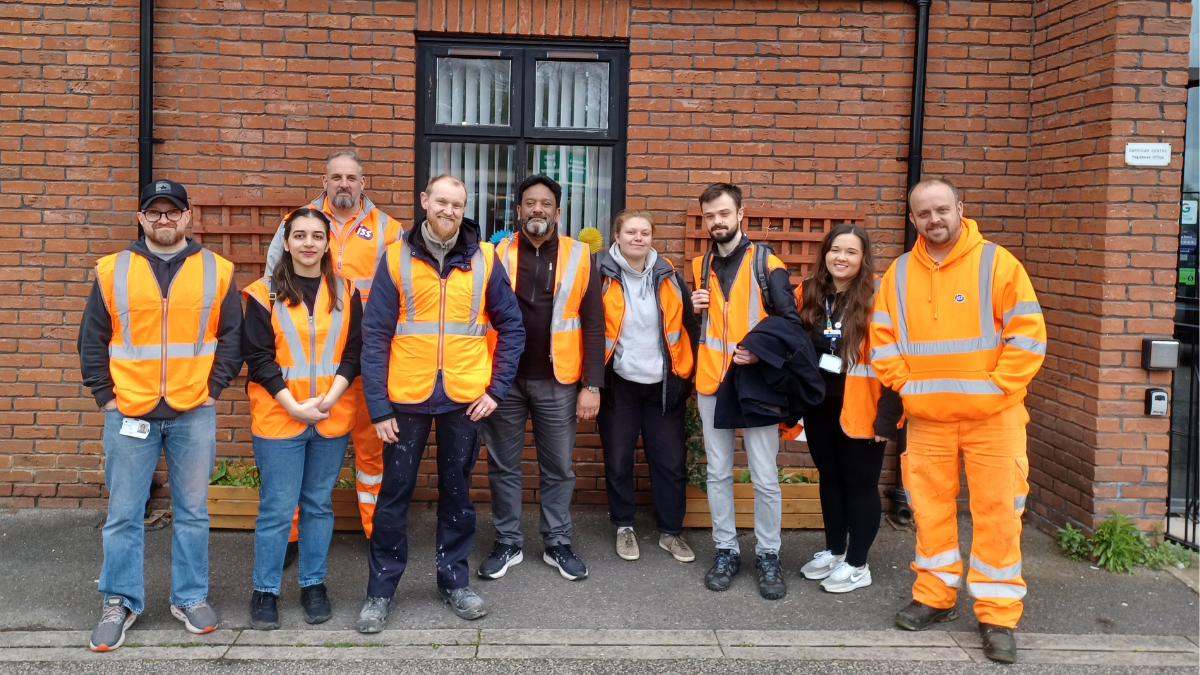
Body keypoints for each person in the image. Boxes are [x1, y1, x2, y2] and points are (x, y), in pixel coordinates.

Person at [871, 178, 1045, 663]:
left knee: (998, 516)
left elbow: (1028, 337)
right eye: (924, 214)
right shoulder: (899, 273)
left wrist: (993, 390)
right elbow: (881, 342)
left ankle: (997, 615)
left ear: (959, 209)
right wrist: (906, 387)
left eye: (942, 210)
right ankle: (935, 596)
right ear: (912, 220)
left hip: (995, 418)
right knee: (929, 511)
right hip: (927, 420)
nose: (935, 220)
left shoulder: (997, 262)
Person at [355, 175, 525, 630]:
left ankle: (454, 581)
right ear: (425, 201)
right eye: (441, 201)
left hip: (465, 399)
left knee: (458, 495)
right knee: (393, 497)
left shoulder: (486, 259)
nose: (448, 210)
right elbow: (374, 335)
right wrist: (378, 406)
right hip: (405, 398)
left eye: (457, 203)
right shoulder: (396, 257)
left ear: (464, 208)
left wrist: (495, 391)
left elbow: (512, 328)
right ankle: (380, 591)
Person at [79, 179, 242, 651]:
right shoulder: (113, 270)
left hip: (194, 410)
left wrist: (215, 388)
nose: (164, 220)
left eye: (173, 212)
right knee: (123, 513)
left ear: (188, 217)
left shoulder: (217, 269)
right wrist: (105, 396)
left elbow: (232, 335)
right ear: (142, 218)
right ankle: (119, 601)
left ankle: (189, 598)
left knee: (193, 512)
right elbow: (93, 338)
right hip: (129, 409)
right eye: (155, 212)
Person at [265, 151, 405, 537]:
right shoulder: (297, 223)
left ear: (364, 183)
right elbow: (272, 285)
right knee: (296, 454)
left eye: (351, 178)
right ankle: (290, 537)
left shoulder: (389, 229)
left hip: (365, 358)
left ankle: (375, 532)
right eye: (336, 177)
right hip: (306, 362)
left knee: (370, 449)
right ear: (323, 181)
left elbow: (401, 293)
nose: (344, 184)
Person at [479, 175, 605, 582]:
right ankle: (508, 542)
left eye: (545, 203)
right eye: (529, 203)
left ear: (558, 211)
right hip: (504, 380)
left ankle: (557, 542)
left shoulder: (580, 255)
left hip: (559, 381)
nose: (537, 209)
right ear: (518, 211)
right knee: (503, 466)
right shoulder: (493, 253)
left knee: (558, 467)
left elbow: (593, 324)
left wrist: (592, 384)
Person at [242, 207, 362, 630]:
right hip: (280, 419)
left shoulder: (348, 291)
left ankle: (313, 584)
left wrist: (329, 398)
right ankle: (265, 591)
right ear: (286, 241)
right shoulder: (262, 293)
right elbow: (257, 358)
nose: (308, 243)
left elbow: (354, 352)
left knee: (317, 506)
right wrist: (294, 405)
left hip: (330, 416)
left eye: (316, 235)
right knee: (277, 509)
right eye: (299, 236)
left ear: (328, 243)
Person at [690, 183, 803, 600]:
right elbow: (699, 327)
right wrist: (692, 307)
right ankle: (726, 549)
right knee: (717, 472)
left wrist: (759, 353)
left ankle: (769, 554)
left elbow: (790, 325)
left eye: (723, 213)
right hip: (712, 381)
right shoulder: (702, 264)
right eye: (709, 216)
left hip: (754, 383)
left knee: (764, 476)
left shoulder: (765, 263)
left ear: (741, 214)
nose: (716, 222)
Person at [793, 224, 902, 593]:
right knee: (831, 479)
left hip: (864, 409)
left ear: (863, 258)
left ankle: (858, 564)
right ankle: (835, 552)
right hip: (820, 407)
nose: (841, 257)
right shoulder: (808, 292)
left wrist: (889, 417)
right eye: (835, 250)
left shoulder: (878, 296)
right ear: (825, 253)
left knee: (860, 485)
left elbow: (895, 360)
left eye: (851, 252)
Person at [595, 210, 699, 563]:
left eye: (644, 232)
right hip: (618, 384)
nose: (638, 238)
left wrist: (690, 376)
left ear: (652, 238)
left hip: (664, 387)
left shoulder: (669, 276)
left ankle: (671, 533)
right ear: (617, 236)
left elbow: (689, 327)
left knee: (670, 463)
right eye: (631, 232)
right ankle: (624, 527)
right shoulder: (600, 275)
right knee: (619, 460)